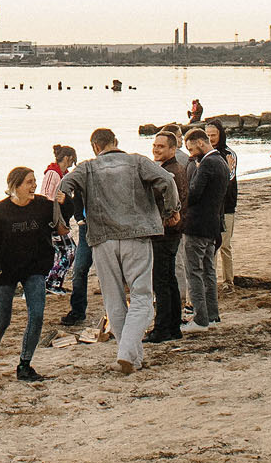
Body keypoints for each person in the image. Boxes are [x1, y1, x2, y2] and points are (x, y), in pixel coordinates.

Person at [56, 129, 180, 374]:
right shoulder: (137, 162)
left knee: (113, 300)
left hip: (102, 239)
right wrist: (170, 211)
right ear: (116, 142)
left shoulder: (87, 167)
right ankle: (127, 353)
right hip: (136, 235)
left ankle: (131, 357)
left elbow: (63, 186)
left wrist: (61, 220)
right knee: (142, 296)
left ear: (95, 146)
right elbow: (167, 180)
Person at [0, 166, 61, 381]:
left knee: (37, 315)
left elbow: (63, 213)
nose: (34, 185)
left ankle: (24, 365)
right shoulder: (0, 211)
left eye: (34, 181)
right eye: (29, 182)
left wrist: (65, 201)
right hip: (6, 270)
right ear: (15, 186)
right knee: (3, 319)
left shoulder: (42, 205)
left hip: (34, 269)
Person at [179, 129, 229, 329]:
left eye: (191, 149)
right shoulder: (222, 162)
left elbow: (193, 194)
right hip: (212, 224)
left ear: (200, 143)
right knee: (208, 271)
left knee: (194, 272)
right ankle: (213, 315)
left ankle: (200, 319)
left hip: (197, 224)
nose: (190, 154)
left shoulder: (207, 163)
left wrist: (182, 194)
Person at [148, 130, 189, 342]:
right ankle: (173, 326)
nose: (156, 149)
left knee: (161, 282)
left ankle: (163, 328)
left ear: (173, 149)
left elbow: (173, 202)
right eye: (155, 145)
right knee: (169, 279)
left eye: (161, 146)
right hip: (169, 232)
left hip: (165, 233)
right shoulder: (170, 169)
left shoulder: (171, 171)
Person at [206, 122, 239, 291]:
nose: (210, 138)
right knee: (210, 246)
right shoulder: (203, 154)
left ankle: (228, 280)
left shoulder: (229, 154)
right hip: (209, 207)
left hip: (226, 206)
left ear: (221, 135)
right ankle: (211, 280)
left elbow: (228, 179)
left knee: (225, 245)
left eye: (214, 135)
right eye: (208, 135)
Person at [40, 144, 77, 295]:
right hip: (53, 221)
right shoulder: (52, 173)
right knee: (68, 250)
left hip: (60, 220)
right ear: (67, 158)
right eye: (72, 160)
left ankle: (54, 282)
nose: (72, 163)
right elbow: (45, 197)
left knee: (62, 252)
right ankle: (51, 283)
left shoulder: (63, 176)